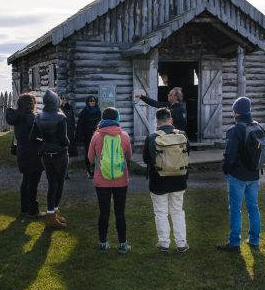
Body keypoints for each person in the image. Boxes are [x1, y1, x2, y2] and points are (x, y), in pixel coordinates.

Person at [216, 97, 261, 252]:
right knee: (253, 207)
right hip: (254, 175)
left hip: (238, 176)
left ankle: (234, 242)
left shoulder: (235, 130)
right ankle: (254, 240)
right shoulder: (257, 126)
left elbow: (230, 155)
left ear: (236, 112)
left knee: (235, 209)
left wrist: (225, 169)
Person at [143, 108, 189, 253]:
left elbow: (146, 159)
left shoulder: (151, 137)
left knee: (161, 212)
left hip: (158, 181)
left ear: (156, 121)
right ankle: (181, 243)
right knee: (177, 211)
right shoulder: (182, 135)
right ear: (171, 120)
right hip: (179, 179)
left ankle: (164, 244)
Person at [87, 107, 133, 253]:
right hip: (121, 179)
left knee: (104, 212)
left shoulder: (96, 136)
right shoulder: (124, 136)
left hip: (101, 180)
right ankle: (123, 245)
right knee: (120, 212)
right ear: (117, 118)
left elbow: (89, 158)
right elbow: (129, 156)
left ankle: (102, 243)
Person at [30, 90, 70, 229]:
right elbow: (64, 140)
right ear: (55, 101)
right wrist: (68, 144)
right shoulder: (61, 117)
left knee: (52, 184)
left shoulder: (39, 116)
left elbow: (32, 137)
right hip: (60, 154)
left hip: (46, 155)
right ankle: (52, 214)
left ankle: (52, 214)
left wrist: (44, 142)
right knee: (59, 184)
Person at [6, 93, 45, 218]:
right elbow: (38, 135)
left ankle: (24, 208)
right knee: (32, 182)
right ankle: (33, 210)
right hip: (33, 152)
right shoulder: (31, 118)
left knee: (26, 180)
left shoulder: (18, 117)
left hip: (22, 151)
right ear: (31, 104)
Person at [75, 95, 101, 177]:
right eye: (90, 101)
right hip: (87, 137)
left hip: (97, 136)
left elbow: (100, 123)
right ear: (87, 102)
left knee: (97, 153)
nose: (92, 102)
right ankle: (89, 170)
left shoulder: (98, 112)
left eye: (93, 101)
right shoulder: (84, 112)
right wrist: (79, 138)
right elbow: (80, 125)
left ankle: (95, 169)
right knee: (88, 153)